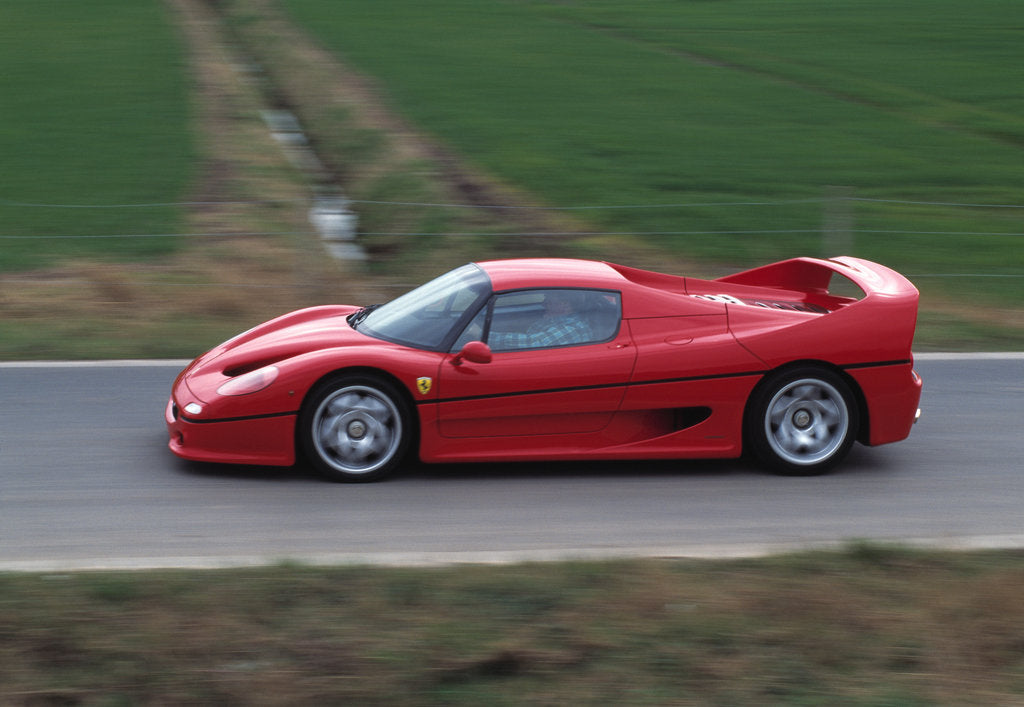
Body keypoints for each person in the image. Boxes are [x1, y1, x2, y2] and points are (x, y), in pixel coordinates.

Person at [490, 291, 593, 350]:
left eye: (549, 302)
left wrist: (485, 336)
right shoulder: (554, 319)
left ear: (565, 305)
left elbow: (533, 342)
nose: (543, 304)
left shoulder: (572, 329)